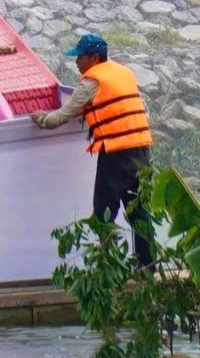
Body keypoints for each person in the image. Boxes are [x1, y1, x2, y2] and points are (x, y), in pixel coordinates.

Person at [29, 34, 154, 266]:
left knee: (103, 214)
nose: (76, 63)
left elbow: (61, 117)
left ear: (94, 58)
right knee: (139, 213)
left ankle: (109, 268)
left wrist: (41, 119)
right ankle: (148, 267)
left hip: (116, 155)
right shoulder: (123, 73)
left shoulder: (91, 82)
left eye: (80, 57)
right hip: (141, 150)